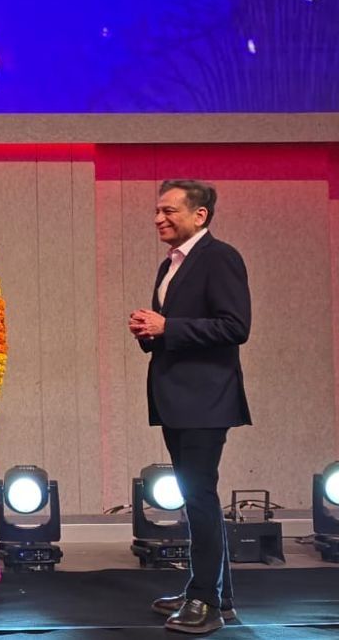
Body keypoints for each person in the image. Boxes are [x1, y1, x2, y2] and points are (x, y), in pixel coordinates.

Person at [129, 180, 251, 635]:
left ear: (199, 215)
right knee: (197, 496)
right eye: (157, 211)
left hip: (206, 399)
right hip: (177, 396)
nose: (159, 218)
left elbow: (235, 326)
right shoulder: (170, 264)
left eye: (169, 210)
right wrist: (150, 331)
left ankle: (205, 602)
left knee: (199, 496)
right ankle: (218, 593)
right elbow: (175, 328)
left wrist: (169, 326)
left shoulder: (220, 257)